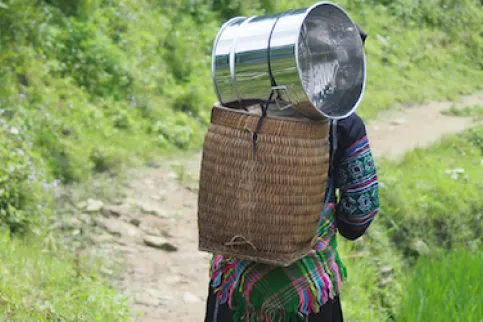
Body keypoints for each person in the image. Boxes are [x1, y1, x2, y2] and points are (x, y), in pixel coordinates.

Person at [204, 26, 379, 322]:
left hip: (236, 281)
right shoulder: (345, 125)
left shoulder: (242, 107)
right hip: (306, 288)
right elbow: (359, 215)